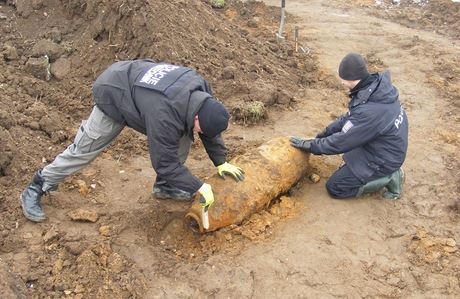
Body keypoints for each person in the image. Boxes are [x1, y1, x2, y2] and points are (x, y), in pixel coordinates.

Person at [20, 59, 244, 222]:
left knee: (185, 133)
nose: (202, 132)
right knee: (84, 150)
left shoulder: (202, 92)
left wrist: (220, 161)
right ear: (197, 115)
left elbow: (208, 129)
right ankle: (37, 185)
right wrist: (199, 187)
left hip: (142, 95)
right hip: (114, 94)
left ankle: (166, 187)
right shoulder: (164, 115)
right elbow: (164, 163)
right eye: (201, 128)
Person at [290, 53, 408, 199]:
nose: (342, 83)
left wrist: (314, 146)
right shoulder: (374, 89)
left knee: (335, 187)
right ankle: (370, 170)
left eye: (344, 80)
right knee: (348, 156)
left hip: (384, 159)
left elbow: (342, 142)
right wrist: (327, 132)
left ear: (353, 78)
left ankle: (391, 177)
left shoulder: (371, 111)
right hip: (380, 144)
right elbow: (351, 118)